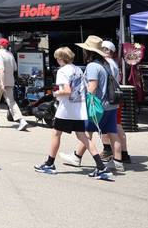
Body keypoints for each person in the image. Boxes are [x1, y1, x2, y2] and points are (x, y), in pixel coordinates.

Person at [35, 47, 111, 179]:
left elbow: (67, 91)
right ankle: (101, 167)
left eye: (57, 58)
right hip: (79, 109)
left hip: (67, 109)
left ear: (60, 58)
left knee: (56, 133)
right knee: (83, 137)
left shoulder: (62, 71)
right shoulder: (78, 69)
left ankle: (49, 164)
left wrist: (55, 93)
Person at [61, 36, 124, 173]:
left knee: (86, 133)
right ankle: (118, 162)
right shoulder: (107, 64)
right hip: (111, 104)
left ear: (89, 52)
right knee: (113, 133)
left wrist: (86, 101)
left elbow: (93, 86)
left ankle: (78, 157)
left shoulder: (92, 66)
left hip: (99, 105)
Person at [0, 38, 29, 130]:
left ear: (0, 45)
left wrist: (1, 82)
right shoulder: (10, 55)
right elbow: (15, 68)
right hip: (10, 80)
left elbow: (1, 69)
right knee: (11, 101)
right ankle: (21, 120)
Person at [100, 40, 131, 164]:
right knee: (115, 127)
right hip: (114, 98)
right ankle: (120, 153)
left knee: (114, 128)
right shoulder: (113, 63)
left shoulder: (106, 63)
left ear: (107, 51)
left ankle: (117, 153)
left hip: (109, 99)